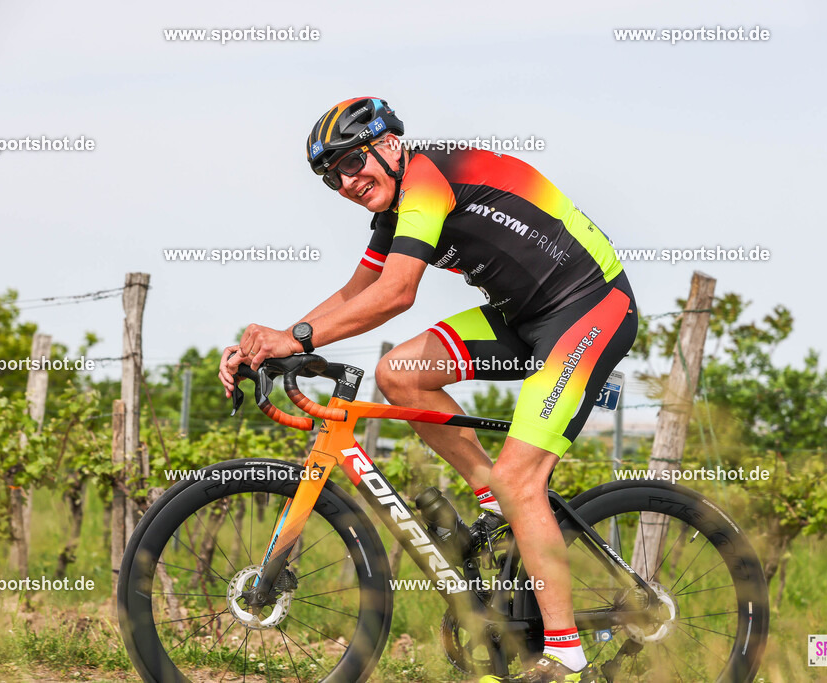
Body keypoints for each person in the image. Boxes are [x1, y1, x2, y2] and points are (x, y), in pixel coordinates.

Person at [218, 97, 638, 683]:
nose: (344, 183)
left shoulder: (426, 181)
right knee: (399, 375)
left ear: (389, 146)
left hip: (591, 307)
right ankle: (495, 500)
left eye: (349, 163)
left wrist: (297, 337)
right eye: (332, 176)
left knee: (524, 478)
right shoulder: (394, 211)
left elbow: (396, 295)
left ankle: (566, 657)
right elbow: (357, 290)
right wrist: (279, 338)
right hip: (522, 316)